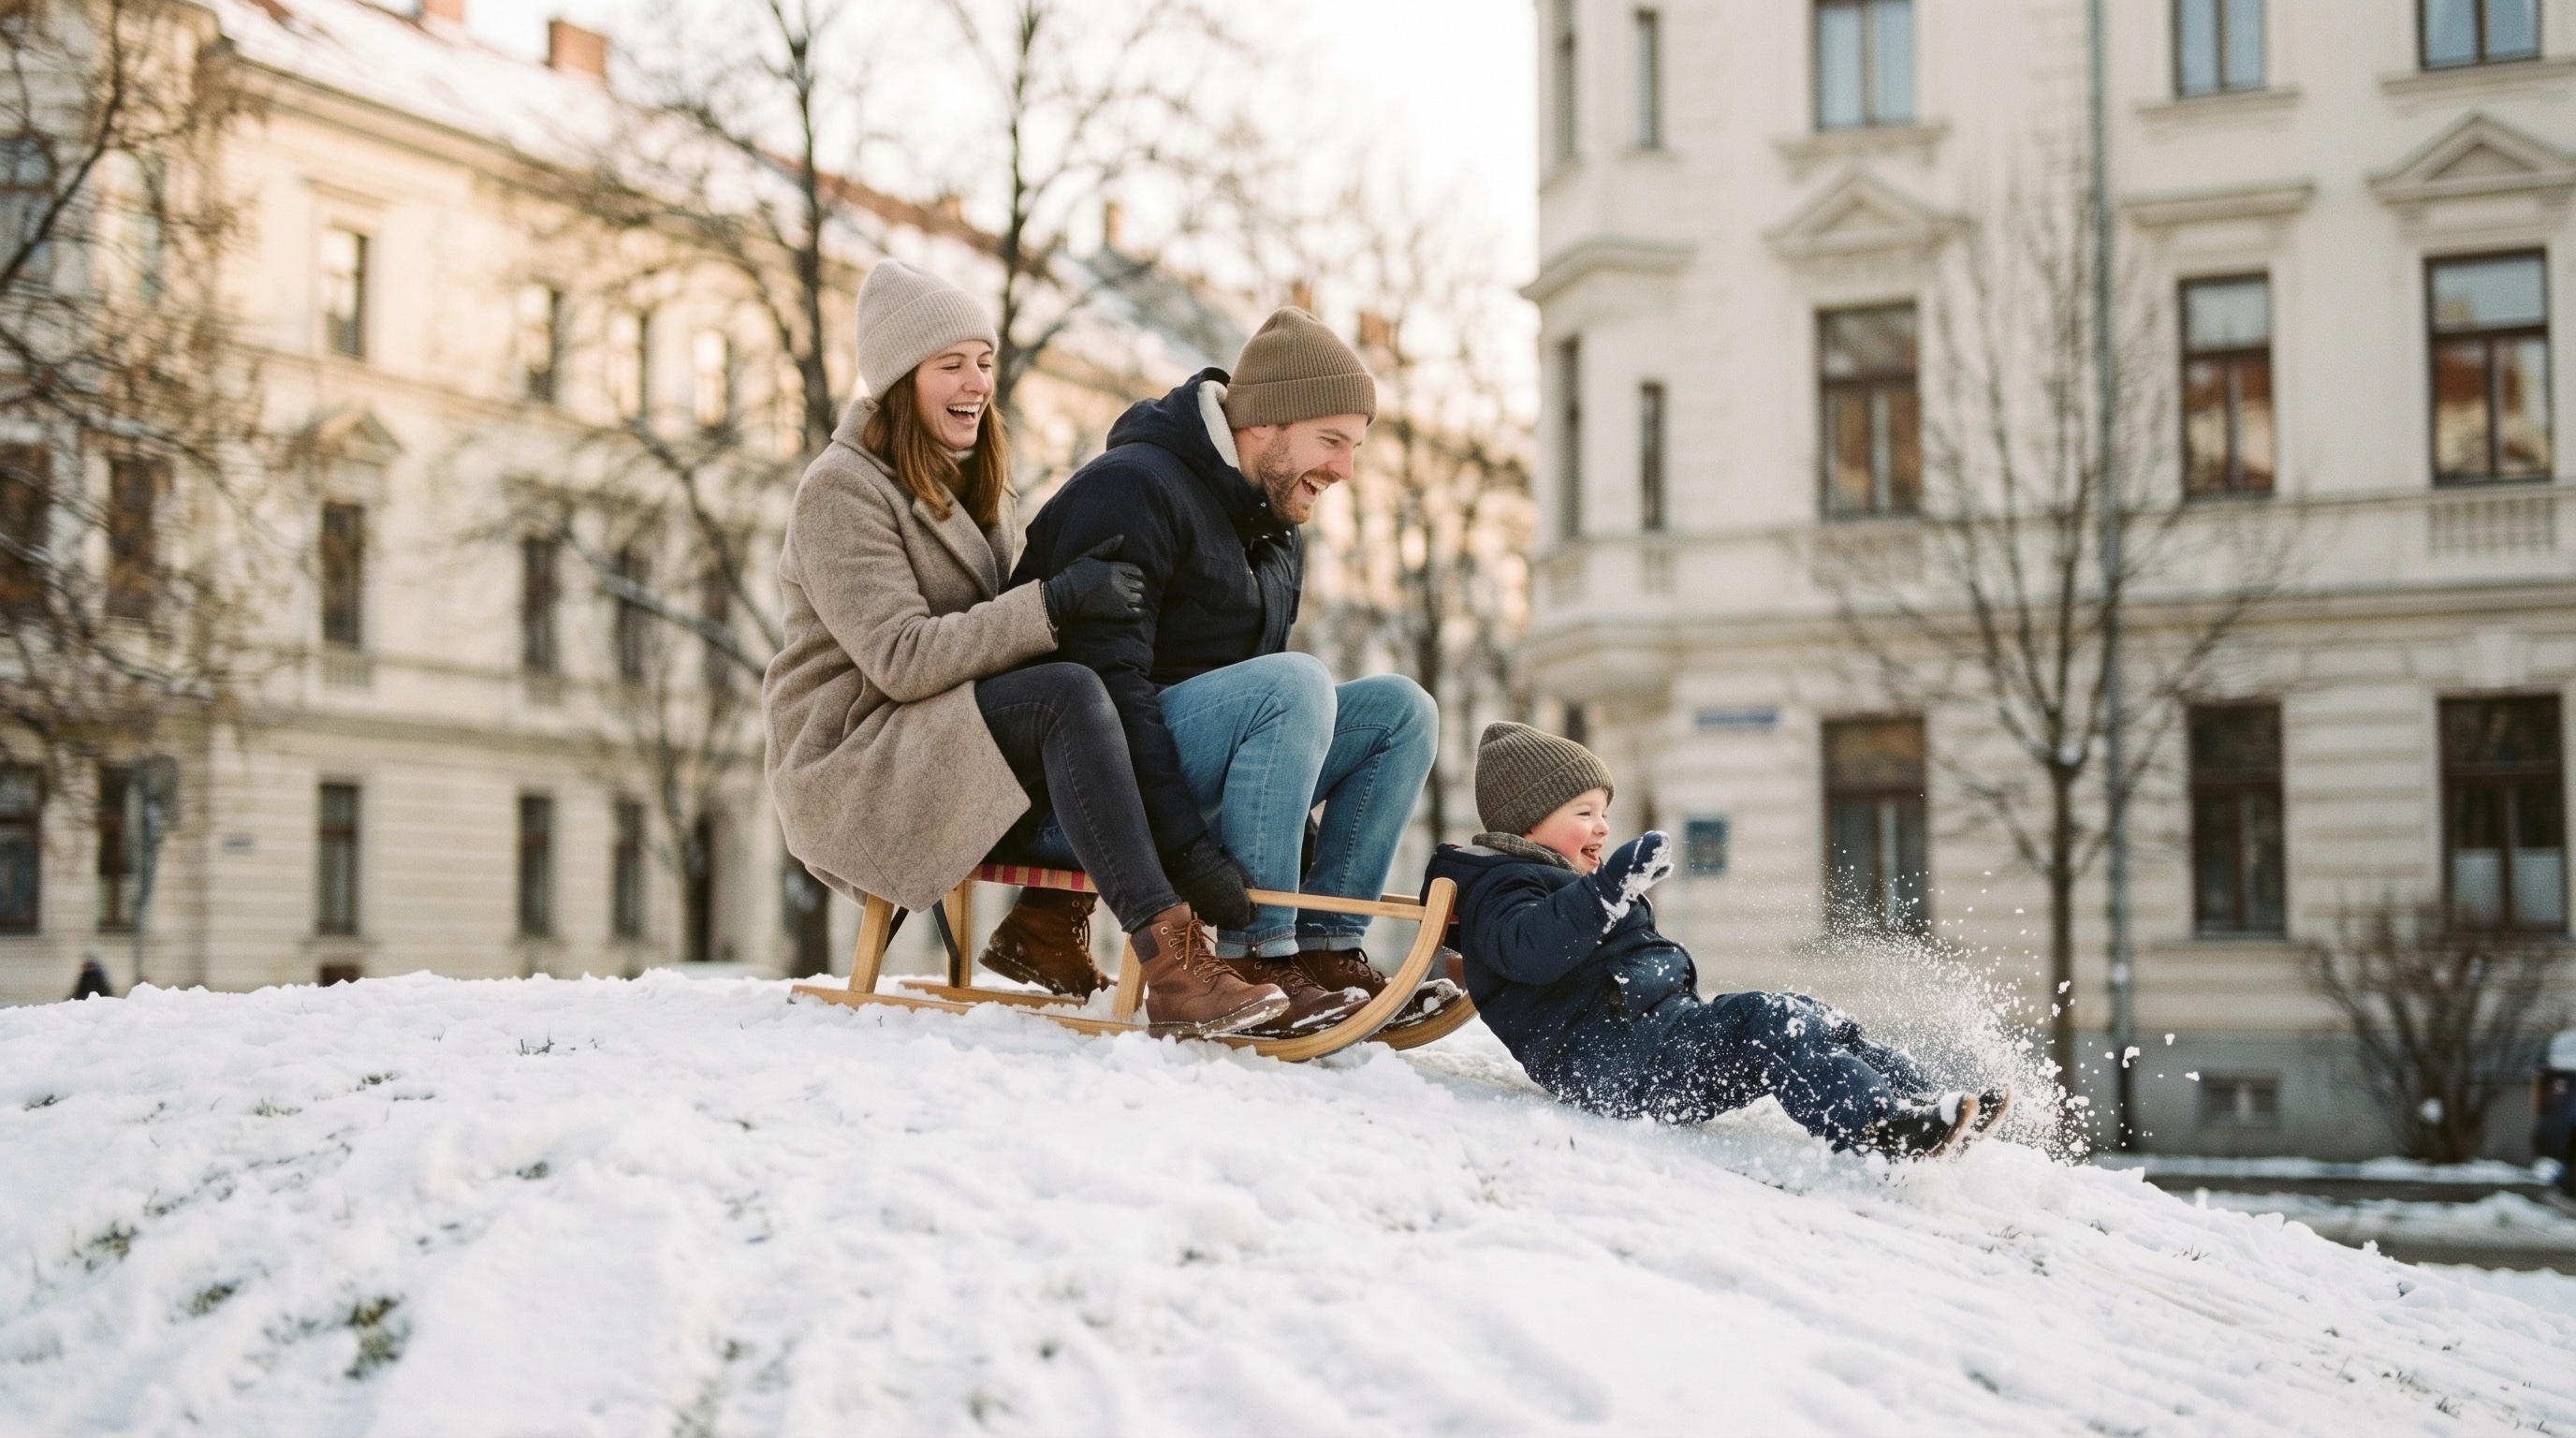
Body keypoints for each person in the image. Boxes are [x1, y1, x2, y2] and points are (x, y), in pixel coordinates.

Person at [762, 259, 1288, 1039]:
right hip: (856, 756)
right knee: (1066, 693)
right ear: (900, 380)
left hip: (938, 734)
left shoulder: (976, 482)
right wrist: (1054, 602)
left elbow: (1006, 642)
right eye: (951, 366)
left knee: (1110, 685)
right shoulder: (841, 490)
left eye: (983, 361)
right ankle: (1174, 961)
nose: (976, 383)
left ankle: (1048, 926)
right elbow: (901, 660)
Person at [1003, 308, 1457, 1039]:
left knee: (1401, 710)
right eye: (1331, 441)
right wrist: (1190, 852)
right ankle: (1260, 960)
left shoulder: (1275, 530)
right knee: (1295, 681)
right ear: (1266, 425)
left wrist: (1278, 854)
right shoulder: (1131, 489)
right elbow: (1098, 693)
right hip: (1070, 803)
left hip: (1175, 784)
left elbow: (1275, 742)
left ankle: (1325, 952)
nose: (1345, 469)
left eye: (1355, 447)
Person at [1423, 722, 2010, 1158]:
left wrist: (1612, 893)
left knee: (1802, 1014)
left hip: (1652, 1041)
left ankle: (1930, 1104)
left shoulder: (1553, 884)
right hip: (1618, 1067)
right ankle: (1879, 1129)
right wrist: (1609, 890)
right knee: (1766, 1020)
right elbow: (1533, 947)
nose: (1602, 827)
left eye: (1605, 813)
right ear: (1528, 820)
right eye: (1585, 812)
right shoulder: (1499, 888)